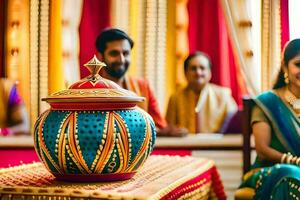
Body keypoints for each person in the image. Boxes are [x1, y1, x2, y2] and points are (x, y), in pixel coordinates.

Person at [95, 28, 186, 136]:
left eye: (126, 53)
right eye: (114, 53)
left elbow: (160, 126)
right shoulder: (90, 89)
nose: (122, 59)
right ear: (101, 56)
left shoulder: (143, 86)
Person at [239, 39, 300, 199]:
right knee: (290, 173)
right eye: (298, 64)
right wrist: (295, 161)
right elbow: (262, 149)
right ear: (285, 67)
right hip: (271, 169)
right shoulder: (268, 102)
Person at [166, 51, 237, 133]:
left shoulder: (223, 95)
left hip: (216, 145)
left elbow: (234, 126)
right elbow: (169, 128)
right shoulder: (175, 98)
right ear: (185, 73)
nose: (198, 72)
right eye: (193, 68)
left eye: (202, 68)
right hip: (185, 145)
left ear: (210, 73)